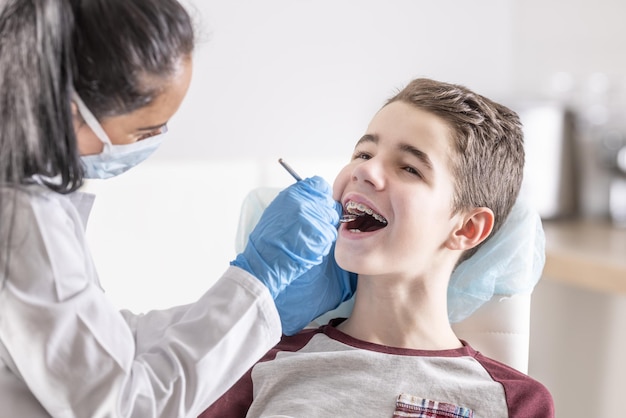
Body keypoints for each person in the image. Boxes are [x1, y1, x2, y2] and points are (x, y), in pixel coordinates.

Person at [0, 0, 354, 416]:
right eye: (146, 130)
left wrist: (264, 309)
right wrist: (256, 280)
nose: (156, 139)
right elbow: (122, 405)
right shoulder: (24, 225)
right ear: (69, 111)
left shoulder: (32, 202)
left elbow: (105, 343)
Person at [200, 78, 555, 417]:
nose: (365, 171)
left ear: (467, 227)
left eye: (409, 168)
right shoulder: (256, 363)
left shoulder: (516, 401)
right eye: (363, 152)